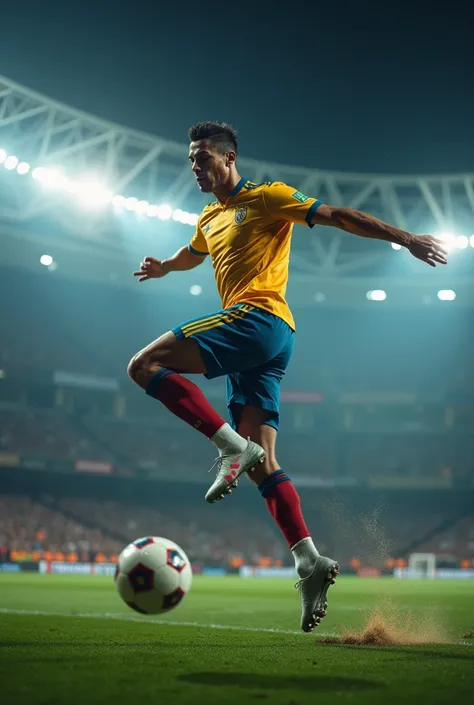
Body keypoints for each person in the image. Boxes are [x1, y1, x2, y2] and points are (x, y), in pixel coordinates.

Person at [128, 122, 448, 632]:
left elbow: (338, 215)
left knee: (143, 366)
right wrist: (166, 267)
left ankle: (228, 445)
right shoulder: (208, 215)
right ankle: (310, 560)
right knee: (265, 463)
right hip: (264, 345)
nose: (195, 166)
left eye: (204, 156)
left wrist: (404, 238)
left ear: (229, 157)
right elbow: (196, 251)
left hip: (260, 319)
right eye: (190, 159)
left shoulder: (267, 196)